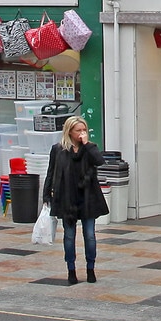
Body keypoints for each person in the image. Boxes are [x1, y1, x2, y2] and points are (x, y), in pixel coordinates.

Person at [42, 115, 106, 285]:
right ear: (69, 131)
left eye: (84, 130)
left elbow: (100, 161)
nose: (82, 133)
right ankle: (71, 269)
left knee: (90, 235)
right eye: (78, 130)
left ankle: (90, 268)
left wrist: (87, 144)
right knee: (69, 236)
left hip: (87, 197)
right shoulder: (58, 149)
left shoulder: (90, 148)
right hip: (67, 197)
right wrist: (46, 194)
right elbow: (51, 172)